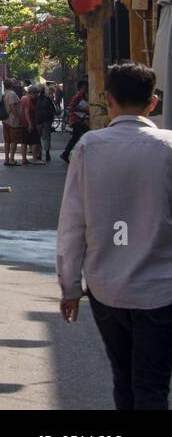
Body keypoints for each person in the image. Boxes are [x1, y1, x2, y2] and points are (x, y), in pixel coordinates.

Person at [57, 63, 172, 410]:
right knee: (151, 385)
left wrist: (70, 287)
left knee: (124, 380)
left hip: (107, 289)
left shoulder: (90, 147)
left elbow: (73, 223)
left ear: (108, 99)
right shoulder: (168, 147)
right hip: (161, 290)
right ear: (152, 102)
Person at [60, 80, 90, 164]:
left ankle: (66, 153)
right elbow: (71, 108)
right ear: (81, 88)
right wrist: (83, 109)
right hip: (76, 119)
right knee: (81, 136)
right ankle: (67, 153)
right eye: (85, 88)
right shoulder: (78, 96)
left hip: (79, 119)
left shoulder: (83, 96)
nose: (86, 89)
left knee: (77, 137)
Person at [34, 84, 58, 161]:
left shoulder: (35, 99)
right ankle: (47, 153)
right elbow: (53, 110)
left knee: (38, 138)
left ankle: (39, 154)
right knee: (47, 137)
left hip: (38, 120)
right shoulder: (48, 99)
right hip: (47, 120)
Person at [20, 84, 41, 164]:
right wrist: (30, 124)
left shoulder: (23, 98)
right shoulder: (28, 100)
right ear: (31, 93)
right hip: (29, 123)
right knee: (35, 141)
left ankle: (24, 159)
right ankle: (34, 159)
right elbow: (27, 112)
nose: (36, 96)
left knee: (24, 141)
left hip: (22, 123)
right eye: (35, 94)